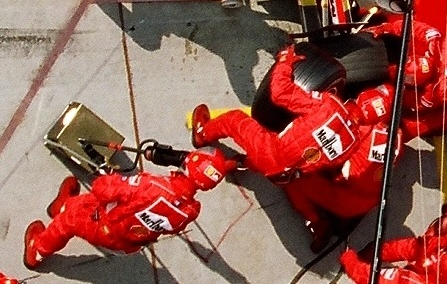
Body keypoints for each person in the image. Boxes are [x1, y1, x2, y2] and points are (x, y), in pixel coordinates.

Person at [191, 45, 393, 181]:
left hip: (270, 152)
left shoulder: (329, 104)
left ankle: (202, 134)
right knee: (279, 158)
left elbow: (281, 93)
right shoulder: (353, 143)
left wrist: (285, 61)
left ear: (358, 98)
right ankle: (240, 163)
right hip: (287, 177)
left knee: (235, 119)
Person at [23, 148, 235, 269]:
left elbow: (103, 190)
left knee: (68, 222)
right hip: (127, 244)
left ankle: (39, 250)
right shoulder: (191, 210)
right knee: (87, 205)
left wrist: (107, 176)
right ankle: (67, 205)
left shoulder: (151, 185)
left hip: (105, 229)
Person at [283, 121, 402, 252]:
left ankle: (317, 223)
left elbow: (341, 175)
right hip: (373, 198)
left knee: (291, 178)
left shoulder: (362, 131)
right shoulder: (399, 136)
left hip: (347, 199)